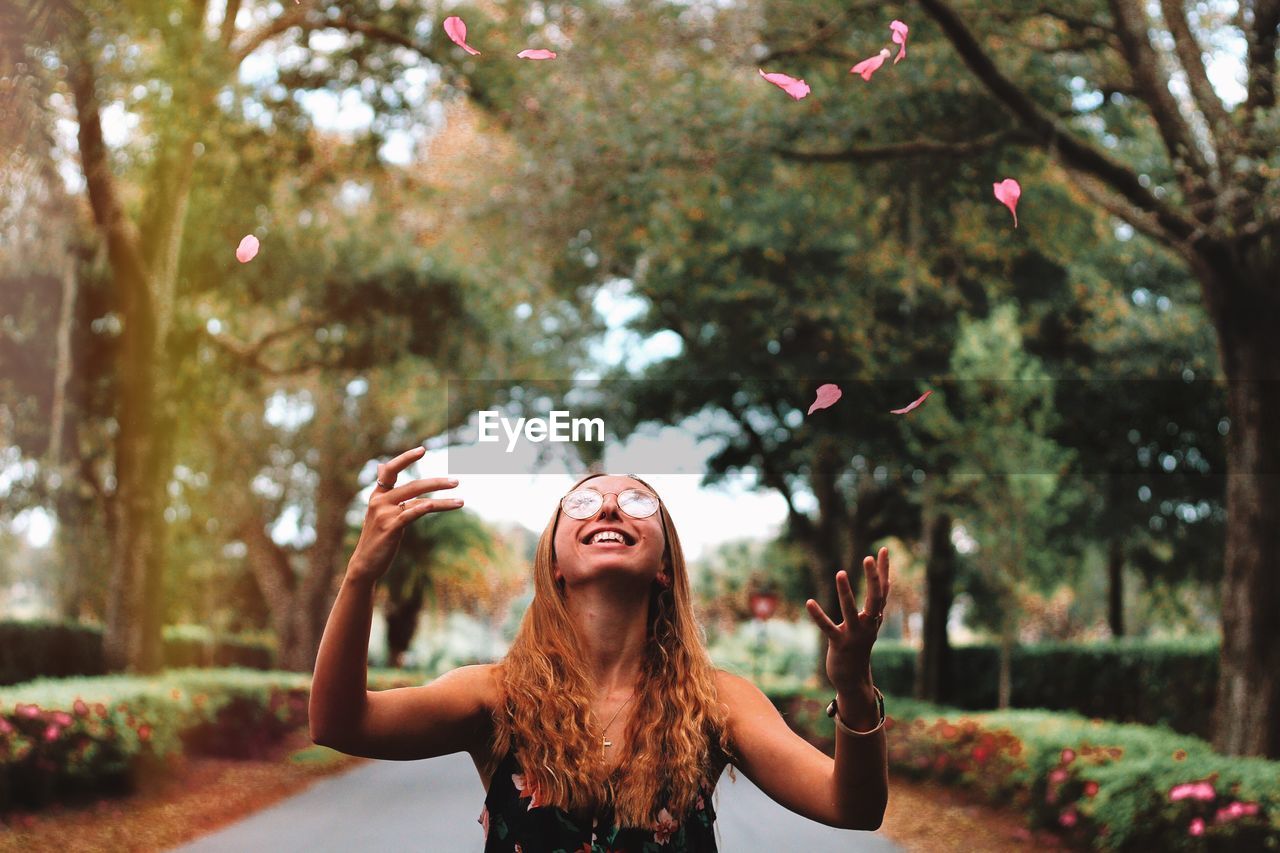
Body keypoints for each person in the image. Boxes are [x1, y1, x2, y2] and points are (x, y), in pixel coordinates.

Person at [310, 446, 891, 851]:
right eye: (583, 505)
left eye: (638, 503)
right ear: (555, 563)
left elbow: (853, 810)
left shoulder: (718, 702)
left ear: (664, 565)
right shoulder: (495, 697)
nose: (610, 508)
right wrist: (361, 573)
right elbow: (340, 723)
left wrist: (855, 692)